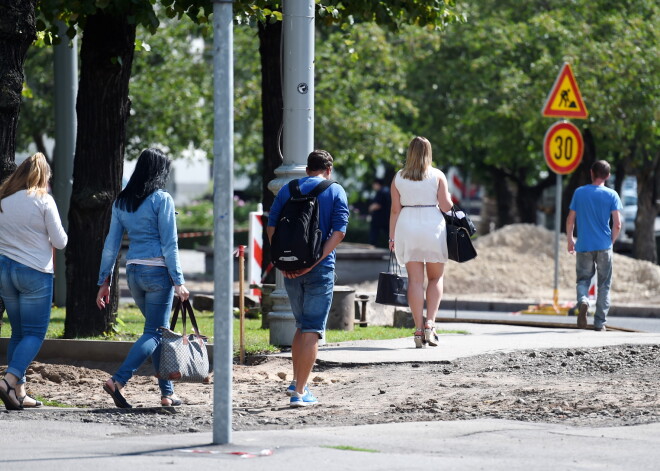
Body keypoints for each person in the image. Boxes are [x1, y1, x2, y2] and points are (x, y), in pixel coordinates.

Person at [96, 148, 189, 408]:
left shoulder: (121, 202)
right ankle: (118, 380)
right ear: (160, 172)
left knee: (156, 331)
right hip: (158, 273)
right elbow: (170, 244)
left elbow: (110, 246)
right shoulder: (162, 199)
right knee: (155, 332)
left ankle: (167, 393)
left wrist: (104, 281)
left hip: (134, 273)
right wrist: (179, 281)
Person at [267, 150, 349, 407]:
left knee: (301, 326)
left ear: (307, 169)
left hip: (290, 270)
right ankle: (300, 393)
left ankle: (295, 380)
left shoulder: (288, 189)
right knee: (313, 328)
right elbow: (339, 232)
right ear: (328, 169)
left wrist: (285, 260)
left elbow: (272, 226)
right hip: (319, 269)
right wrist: (315, 260)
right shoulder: (335, 190)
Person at [0, 153, 68, 410]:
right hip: (34, 272)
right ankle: (8, 380)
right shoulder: (43, 200)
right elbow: (60, 242)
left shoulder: (3, 199)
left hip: (5, 270)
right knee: (35, 333)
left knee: (18, 333)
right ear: (42, 176)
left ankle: (19, 392)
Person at [389, 136, 453, 348]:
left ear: (410, 153)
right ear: (429, 152)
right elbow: (445, 206)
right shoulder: (437, 175)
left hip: (407, 226)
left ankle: (417, 329)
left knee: (415, 281)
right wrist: (449, 197)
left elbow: (395, 210)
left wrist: (392, 237)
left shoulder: (398, 177)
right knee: (435, 278)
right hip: (432, 226)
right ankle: (430, 325)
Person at [566, 160, 622, 331]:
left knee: (583, 279)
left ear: (591, 173)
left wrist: (570, 239)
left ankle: (583, 300)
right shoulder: (612, 195)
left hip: (584, 245)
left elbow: (570, 220)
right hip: (604, 245)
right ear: (608, 176)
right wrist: (610, 242)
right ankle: (600, 323)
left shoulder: (579, 193)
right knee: (604, 284)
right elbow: (617, 224)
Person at [368, 178, 391, 247]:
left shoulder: (381, 192)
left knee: (374, 233)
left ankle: (372, 245)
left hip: (379, 218)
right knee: (388, 233)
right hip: (387, 217)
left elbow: (378, 204)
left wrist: (370, 208)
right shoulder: (387, 190)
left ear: (377, 184)